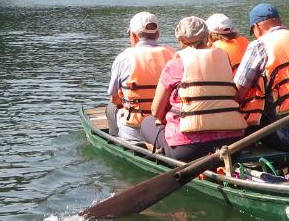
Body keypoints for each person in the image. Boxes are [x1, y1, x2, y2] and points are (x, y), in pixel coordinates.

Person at [148, 16, 248, 162]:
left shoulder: (175, 65)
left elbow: (156, 111)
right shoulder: (223, 59)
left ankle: (155, 153)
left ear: (180, 40)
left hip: (188, 150)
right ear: (207, 37)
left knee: (147, 123)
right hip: (233, 144)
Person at [233, 3, 289, 152]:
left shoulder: (260, 45)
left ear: (257, 27)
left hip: (284, 136)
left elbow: (238, 93)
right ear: (279, 20)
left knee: (251, 108)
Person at [106, 12, 174, 146]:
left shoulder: (124, 58)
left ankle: (114, 140)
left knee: (110, 107)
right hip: (166, 125)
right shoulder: (173, 54)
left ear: (133, 35)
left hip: (135, 130)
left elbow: (115, 100)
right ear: (158, 34)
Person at [208, 13, 262, 126]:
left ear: (210, 34)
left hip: (234, 102)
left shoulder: (214, 50)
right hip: (257, 101)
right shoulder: (246, 42)